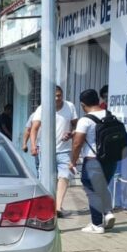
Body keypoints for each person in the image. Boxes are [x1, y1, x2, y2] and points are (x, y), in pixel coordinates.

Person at [70, 88, 117, 234]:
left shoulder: (85, 120)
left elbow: (77, 143)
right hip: (111, 159)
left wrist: (73, 161)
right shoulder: (110, 115)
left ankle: (97, 224)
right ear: (97, 100)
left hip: (93, 161)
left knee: (92, 191)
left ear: (83, 104)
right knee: (102, 187)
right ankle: (108, 213)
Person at [29, 86, 79, 216]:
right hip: (45, 151)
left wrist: (71, 133)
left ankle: (58, 207)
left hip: (64, 149)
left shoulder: (70, 106)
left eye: (59, 95)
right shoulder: (42, 108)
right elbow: (34, 128)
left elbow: (75, 124)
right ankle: (42, 207)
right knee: (44, 178)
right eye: (55, 96)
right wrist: (33, 146)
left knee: (65, 176)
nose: (57, 98)